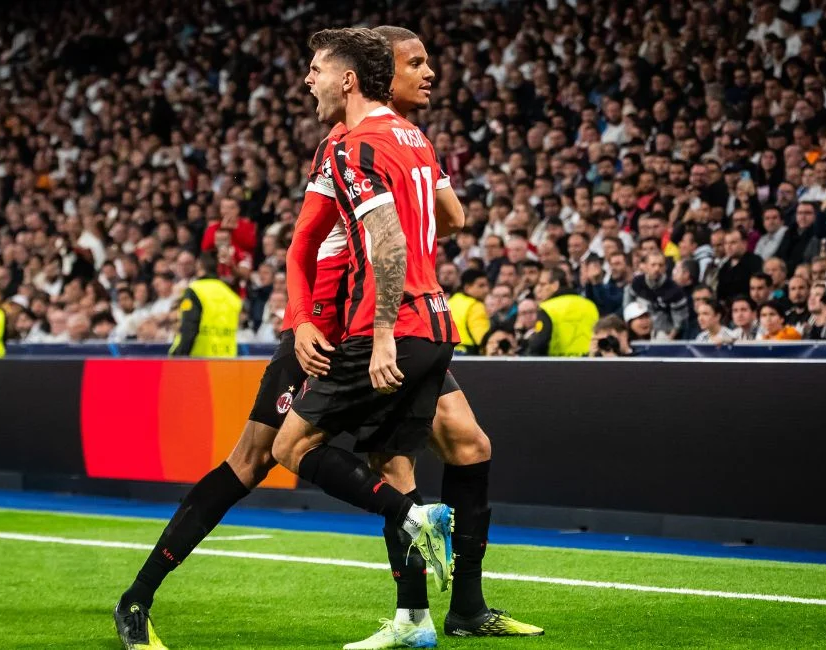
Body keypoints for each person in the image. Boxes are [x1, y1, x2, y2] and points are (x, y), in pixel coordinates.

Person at [114, 26, 540, 650]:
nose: (428, 74)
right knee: (254, 461)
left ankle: (453, 611)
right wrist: (305, 316)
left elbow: (448, 220)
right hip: (330, 332)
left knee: (463, 446)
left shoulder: (405, 140)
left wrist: (398, 220)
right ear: (376, 75)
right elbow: (301, 246)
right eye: (414, 63)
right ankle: (137, 597)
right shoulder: (339, 146)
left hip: (385, 321)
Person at [273, 25, 459, 638]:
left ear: (348, 79)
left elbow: (389, 243)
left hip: (394, 326)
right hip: (436, 323)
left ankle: (414, 519)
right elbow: (450, 218)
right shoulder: (413, 137)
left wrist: (380, 336)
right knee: (393, 461)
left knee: (290, 448)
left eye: (318, 70)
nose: (309, 80)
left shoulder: (355, 145)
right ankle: (413, 620)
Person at [168, 253, 242, 358]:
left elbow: (189, 329)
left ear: (199, 266)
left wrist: (178, 356)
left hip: (199, 361)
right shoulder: (231, 294)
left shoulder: (194, 290)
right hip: (227, 360)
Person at [526, 267, 599, 356]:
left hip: (558, 365)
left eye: (542, 284)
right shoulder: (590, 305)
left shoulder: (548, 308)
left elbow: (539, 343)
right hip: (589, 363)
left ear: (555, 285)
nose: (538, 289)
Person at [629, 252, 689, 340]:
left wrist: (667, 340)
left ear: (665, 268)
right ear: (646, 266)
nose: (657, 268)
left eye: (660, 265)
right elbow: (628, 308)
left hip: (664, 333)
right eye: (653, 265)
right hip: (638, 332)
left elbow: (679, 322)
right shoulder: (637, 283)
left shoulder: (675, 290)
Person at [449, 268, 491, 354]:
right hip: (467, 354)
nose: (486, 290)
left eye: (487, 285)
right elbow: (482, 339)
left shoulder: (449, 302)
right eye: (481, 286)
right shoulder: (475, 306)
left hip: (446, 354)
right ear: (467, 287)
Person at [717, 228, 764, 303]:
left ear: (744, 243)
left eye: (733, 243)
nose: (728, 247)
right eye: (726, 243)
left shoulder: (755, 262)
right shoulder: (724, 268)